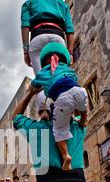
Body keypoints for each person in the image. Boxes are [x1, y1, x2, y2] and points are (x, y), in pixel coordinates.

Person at [30, 42, 87, 171]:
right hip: (80, 91)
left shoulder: (44, 72)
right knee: (82, 107)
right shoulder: (67, 69)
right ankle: (83, 120)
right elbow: (74, 78)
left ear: (44, 60)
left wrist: (34, 88)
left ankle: (66, 156)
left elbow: (34, 85)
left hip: (63, 98)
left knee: (58, 131)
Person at [21, 0, 75, 111]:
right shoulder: (62, 4)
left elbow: (25, 26)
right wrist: (70, 52)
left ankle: (46, 116)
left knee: (41, 84)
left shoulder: (29, 3)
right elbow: (70, 30)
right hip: (58, 39)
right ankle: (66, 114)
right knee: (60, 78)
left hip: (38, 38)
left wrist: (26, 51)